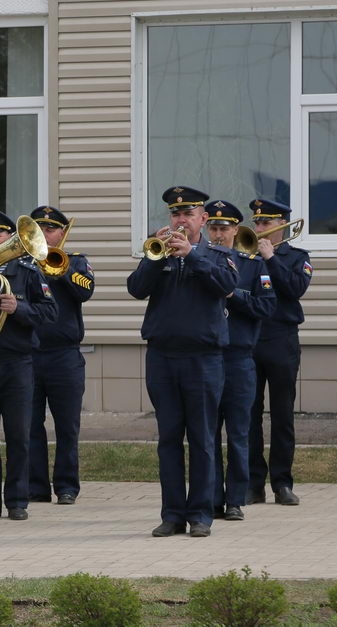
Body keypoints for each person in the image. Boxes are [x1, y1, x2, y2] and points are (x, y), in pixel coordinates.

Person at [127, 186, 238, 538]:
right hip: (162, 357)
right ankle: (172, 514)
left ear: (202, 219)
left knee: (203, 438)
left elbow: (226, 284)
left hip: (203, 358)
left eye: (188, 214)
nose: (180, 220)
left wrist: (192, 255)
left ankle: (201, 515)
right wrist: (152, 258)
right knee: (169, 439)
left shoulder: (217, 254)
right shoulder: (158, 253)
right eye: (175, 214)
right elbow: (136, 289)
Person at [0, 209, 58, 522]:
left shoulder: (27, 271)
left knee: (19, 435)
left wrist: (19, 307)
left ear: (10, 238)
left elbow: (50, 313)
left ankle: (18, 500)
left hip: (17, 363)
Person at [203, 201, 276, 521]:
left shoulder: (251, 265)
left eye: (224, 229)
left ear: (236, 230)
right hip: (206, 357)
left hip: (238, 358)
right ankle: (211, 498)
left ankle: (235, 499)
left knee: (238, 433)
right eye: (214, 229)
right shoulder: (200, 261)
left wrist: (235, 294)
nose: (219, 234)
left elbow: (267, 307)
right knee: (206, 433)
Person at [247, 198, 313, 507]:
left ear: (281, 225)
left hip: (282, 340)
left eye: (266, 223)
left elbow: (295, 289)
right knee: (249, 415)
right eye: (257, 222)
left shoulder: (296, 257)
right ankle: (253, 483)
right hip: (250, 339)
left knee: (283, 415)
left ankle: (283, 483)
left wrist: (271, 258)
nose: (259, 227)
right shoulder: (246, 254)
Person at [27, 206, 94, 506]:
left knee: (67, 426)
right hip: (28, 354)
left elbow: (86, 290)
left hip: (64, 356)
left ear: (63, 233)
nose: (44, 234)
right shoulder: (22, 263)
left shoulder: (76, 261)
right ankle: (35, 486)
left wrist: (62, 269)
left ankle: (67, 486)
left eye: (51, 229)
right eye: (39, 229)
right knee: (29, 425)